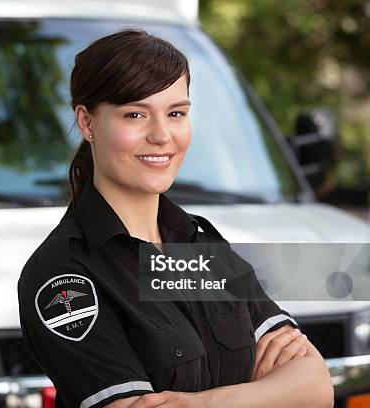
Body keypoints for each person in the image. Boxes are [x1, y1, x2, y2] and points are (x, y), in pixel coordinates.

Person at [17, 29, 333, 408]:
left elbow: (315, 386)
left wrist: (192, 403)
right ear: (86, 122)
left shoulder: (199, 245)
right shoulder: (62, 275)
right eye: (135, 114)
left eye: (176, 113)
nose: (161, 135)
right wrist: (269, 395)